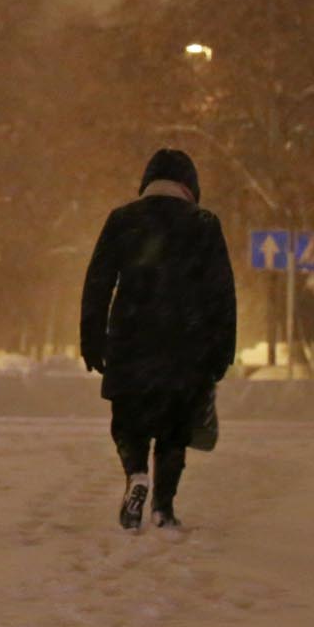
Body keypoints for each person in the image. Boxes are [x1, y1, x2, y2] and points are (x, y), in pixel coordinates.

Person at [80, 148, 237, 533]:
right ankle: (163, 507)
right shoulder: (204, 223)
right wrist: (221, 351)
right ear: (190, 186)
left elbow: (98, 283)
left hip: (131, 341)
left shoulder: (123, 220)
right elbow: (222, 293)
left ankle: (136, 475)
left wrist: (91, 338)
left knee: (129, 422)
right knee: (174, 430)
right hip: (186, 344)